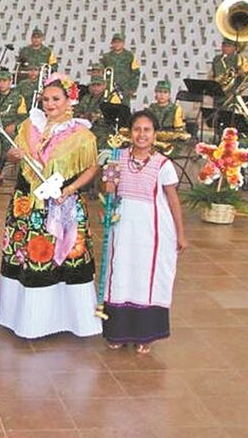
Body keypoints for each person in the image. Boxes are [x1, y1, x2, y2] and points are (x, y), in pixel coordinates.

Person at [0, 75, 103, 340]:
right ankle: (26, 318)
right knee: (29, 254)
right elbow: (13, 157)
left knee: (63, 255)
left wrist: (69, 190)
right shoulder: (28, 126)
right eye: (46, 99)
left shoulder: (81, 134)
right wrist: (12, 156)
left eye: (56, 99)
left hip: (62, 204)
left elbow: (92, 167)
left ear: (70, 100)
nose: (50, 104)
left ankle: (70, 319)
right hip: (27, 203)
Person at [101, 111, 187, 354]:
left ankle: (145, 335)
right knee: (120, 275)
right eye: (137, 129)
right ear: (130, 132)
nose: (141, 135)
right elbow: (109, 191)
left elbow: (173, 201)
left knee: (145, 278)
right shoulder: (117, 157)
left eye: (147, 130)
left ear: (154, 134)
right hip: (123, 228)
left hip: (152, 232)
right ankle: (116, 331)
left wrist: (181, 234)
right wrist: (110, 176)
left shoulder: (163, 164)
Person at [75, 74, 120, 149]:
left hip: (104, 129)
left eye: (98, 85)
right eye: (93, 85)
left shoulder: (110, 98)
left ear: (104, 86)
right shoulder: (86, 98)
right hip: (86, 128)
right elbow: (77, 111)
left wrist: (97, 116)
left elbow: (112, 116)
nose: (95, 88)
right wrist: (81, 116)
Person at [145, 79, 188, 157]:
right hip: (153, 139)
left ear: (169, 94)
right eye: (159, 92)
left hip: (171, 141)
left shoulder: (176, 109)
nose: (162, 95)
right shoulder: (151, 108)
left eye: (165, 92)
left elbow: (179, 132)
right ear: (155, 94)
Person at [99, 32, 140, 106]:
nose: (117, 44)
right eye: (115, 42)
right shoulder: (106, 57)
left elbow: (136, 72)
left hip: (125, 89)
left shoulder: (130, 56)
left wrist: (133, 88)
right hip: (109, 89)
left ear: (123, 43)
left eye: (119, 42)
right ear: (112, 43)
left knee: (124, 110)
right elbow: (100, 72)